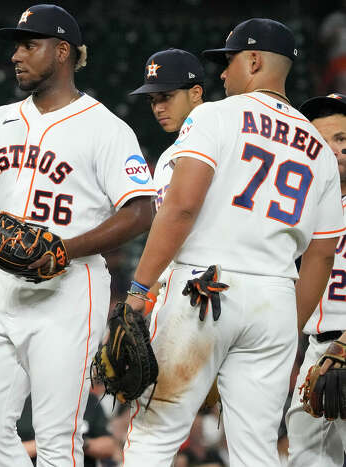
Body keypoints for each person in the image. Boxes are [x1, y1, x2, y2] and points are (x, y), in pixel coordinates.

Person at [0, 5, 156, 465]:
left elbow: (142, 210)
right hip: (2, 291)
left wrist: (64, 249)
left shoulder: (104, 127)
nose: (16, 55)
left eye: (28, 45)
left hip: (70, 289)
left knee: (59, 439)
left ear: (63, 52)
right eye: (15, 46)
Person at [121, 18, 345, 466]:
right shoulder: (318, 149)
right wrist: (288, 326)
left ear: (255, 60)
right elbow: (321, 254)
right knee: (256, 451)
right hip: (278, 297)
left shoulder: (215, 114)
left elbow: (181, 207)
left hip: (205, 286)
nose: (222, 75)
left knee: (156, 433)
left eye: (229, 62)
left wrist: (138, 292)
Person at [285, 92, 346, 467]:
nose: (335, 151)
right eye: (323, 143)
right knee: (306, 459)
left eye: (342, 139)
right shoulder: (301, 208)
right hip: (317, 352)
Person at [129, 48, 205, 311]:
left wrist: (137, 292)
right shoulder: (167, 157)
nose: (158, 108)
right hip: (173, 287)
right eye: (152, 100)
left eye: (166, 97)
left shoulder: (222, 138)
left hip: (213, 282)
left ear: (195, 93)